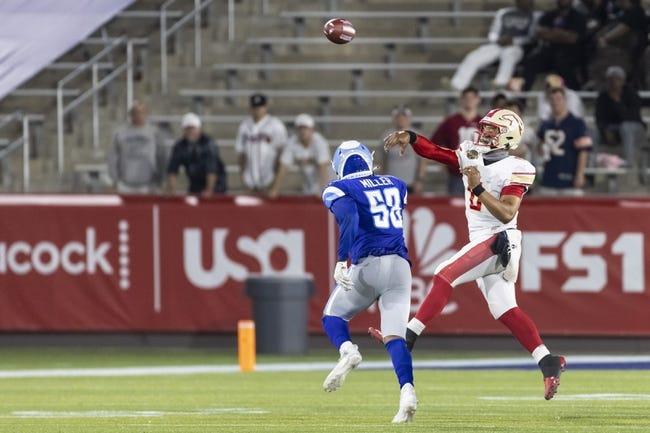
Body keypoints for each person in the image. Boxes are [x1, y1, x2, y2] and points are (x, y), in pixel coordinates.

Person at [380, 109, 566, 401]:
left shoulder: (518, 167)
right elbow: (437, 153)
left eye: (493, 130)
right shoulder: (471, 152)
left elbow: (506, 213)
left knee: (445, 273)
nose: (485, 133)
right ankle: (547, 361)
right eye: (486, 128)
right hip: (483, 240)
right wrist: (412, 137)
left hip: (499, 239)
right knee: (505, 310)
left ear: (508, 136)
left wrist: (478, 185)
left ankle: (408, 336)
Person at [321, 141, 416, 423]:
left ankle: (348, 351)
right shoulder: (397, 183)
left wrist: (341, 260)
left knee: (333, 315)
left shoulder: (338, 188)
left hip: (368, 264)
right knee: (395, 336)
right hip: (400, 266)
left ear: (339, 166)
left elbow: (349, 216)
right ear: (367, 160)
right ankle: (407, 392)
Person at [450, 0, 536, 91]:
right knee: (473, 57)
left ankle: (500, 84)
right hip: (498, 44)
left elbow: (531, 37)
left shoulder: (534, 16)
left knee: (509, 54)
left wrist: (514, 41)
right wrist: (497, 39)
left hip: (517, 48)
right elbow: (493, 33)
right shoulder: (504, 13)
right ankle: (456, 86)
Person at [537, 88, 592, 195]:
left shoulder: (577, 123)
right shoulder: (545, 124)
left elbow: (584, 151)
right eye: (552, 99)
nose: (555, 102)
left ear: (565, 100)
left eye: (558, 99)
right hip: (549, 175)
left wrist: (580, 174)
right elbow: (540, 149)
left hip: (569, 175)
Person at [522, 0, 587, 90]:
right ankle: (522, 97)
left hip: (570, 53)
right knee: (531, 61)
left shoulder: (578, 17)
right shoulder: (549, 15)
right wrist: (562, 34)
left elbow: (573, 39)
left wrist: (552, 33)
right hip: (548, 51)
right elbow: (540, 33)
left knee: (563, 64)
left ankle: (576, 93)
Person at [107, 101, 166, 193]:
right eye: (135, 113)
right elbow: (112, 158)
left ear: (146, 114)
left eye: (142, 112)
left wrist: (160, 180)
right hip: (125, 185)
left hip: (149, 185)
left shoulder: (155, 133)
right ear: (130, 115)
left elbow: (161, 157)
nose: (138, 115)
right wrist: (114, 180)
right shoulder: (119, 133)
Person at [431, 87, 482, 195]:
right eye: (466, 98)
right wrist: (445, 161)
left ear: (478, 100)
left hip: (480, 176)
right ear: (461, 100)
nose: (469, 100)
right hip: (456, 176)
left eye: (472, 98)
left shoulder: (484, 123)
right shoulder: (451, 122)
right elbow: (434, 144)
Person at [235, 93, 288, 193]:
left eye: (260, 107)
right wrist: (243, 179)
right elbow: (241, 154)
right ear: (250, 108)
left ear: (265, 107)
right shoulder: (244, 126)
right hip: (249, 181)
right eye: (254, 107)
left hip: (269, 180)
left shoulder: (276, 125)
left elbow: (282, 154)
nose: (257, 110)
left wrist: (276, 183)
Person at [268, 114, 331, 198]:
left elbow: (323, 168)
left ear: (312, 130)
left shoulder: (320, 143)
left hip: (329, 182)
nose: (303, 131)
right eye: (300, 128)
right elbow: (283, 167)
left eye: (305, 128)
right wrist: (275, 189)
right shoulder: (291, 143)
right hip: (308, 184)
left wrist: (325, 190)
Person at [595, 66, 645, 166]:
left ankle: (629, 162)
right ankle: (591, 169)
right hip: (612, 129)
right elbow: (599, 118)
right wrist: (605, 130)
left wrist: (617, 102)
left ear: (623, 80)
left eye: (617, 79)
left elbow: (633, 117)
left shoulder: (631, 94)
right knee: (593, 133)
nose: (613, 82)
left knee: (626, 127)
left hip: (634, 129)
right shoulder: (602, 97)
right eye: (610, 79)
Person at [167, 113, 226, 196]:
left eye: (193, 128)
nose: (190, 131)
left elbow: (212, 169)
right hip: (195, 184)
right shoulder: (180, 146)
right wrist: (172, 190)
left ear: (199, 129)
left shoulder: (208, 144)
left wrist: (209, 190)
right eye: (187, 128)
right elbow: (172, 169)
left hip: (217, 185)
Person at [595, 0, 648, 87]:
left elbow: (623, 28)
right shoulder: (619, 11)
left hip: (630, 53)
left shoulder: (636, 11)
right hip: (616, 49)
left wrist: (604, 39)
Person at [381, 105, 427, 194]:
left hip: (410, 183)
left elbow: (422, 161)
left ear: (409, 118)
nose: (401, 119)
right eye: (398, 117)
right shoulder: (386, 136)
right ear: (394, 119)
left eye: (404, 117)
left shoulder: (417, 136)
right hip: (391, 183)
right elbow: (383, 161)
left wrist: (420, 180)